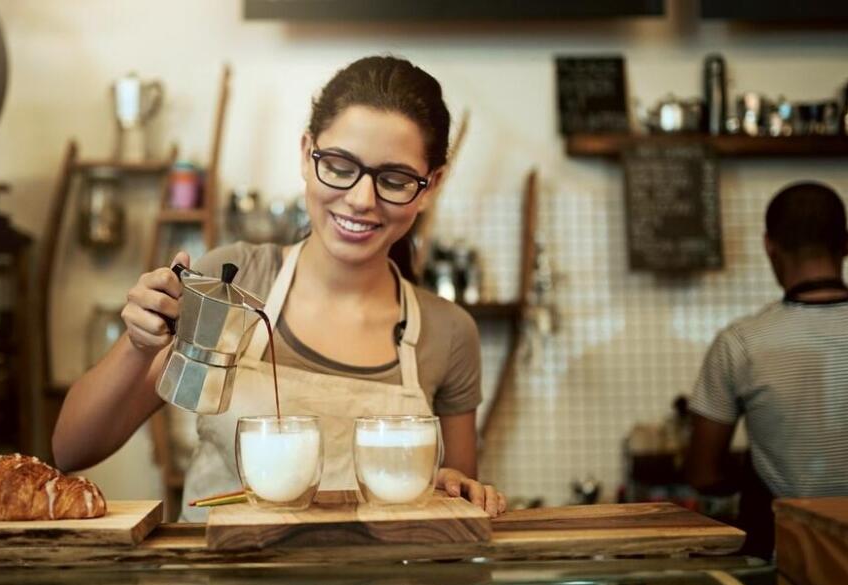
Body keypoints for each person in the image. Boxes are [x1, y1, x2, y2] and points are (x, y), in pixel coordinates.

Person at [53, 56, 507, 521]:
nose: (360, 199)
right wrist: (136, 345)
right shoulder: (232, 283)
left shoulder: (447, 333)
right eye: (338, 165)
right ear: (306, 152)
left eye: (393, 180)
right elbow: (72, 450)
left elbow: (455, 507)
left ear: (432, 184)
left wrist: (456, 487)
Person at [686, 181, 848, 558]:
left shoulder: (741, 343)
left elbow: (702, 474)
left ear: (769, 246)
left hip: (790, 559)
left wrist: (769, 463)